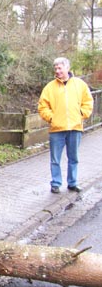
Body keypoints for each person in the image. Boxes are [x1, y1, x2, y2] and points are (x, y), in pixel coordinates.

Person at [38, 57, 93, 194]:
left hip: (75, 128)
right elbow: (42, 106)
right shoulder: (50, 87)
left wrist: (82, 113)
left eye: (60, 68)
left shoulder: (80, 85)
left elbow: (88, 102)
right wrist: (52, 118)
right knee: (55, 159)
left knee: (73, 157)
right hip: (57, 129)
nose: (57, 71)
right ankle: (56, 183)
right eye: (55, 68)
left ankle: (72, 182)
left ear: (67, 68)